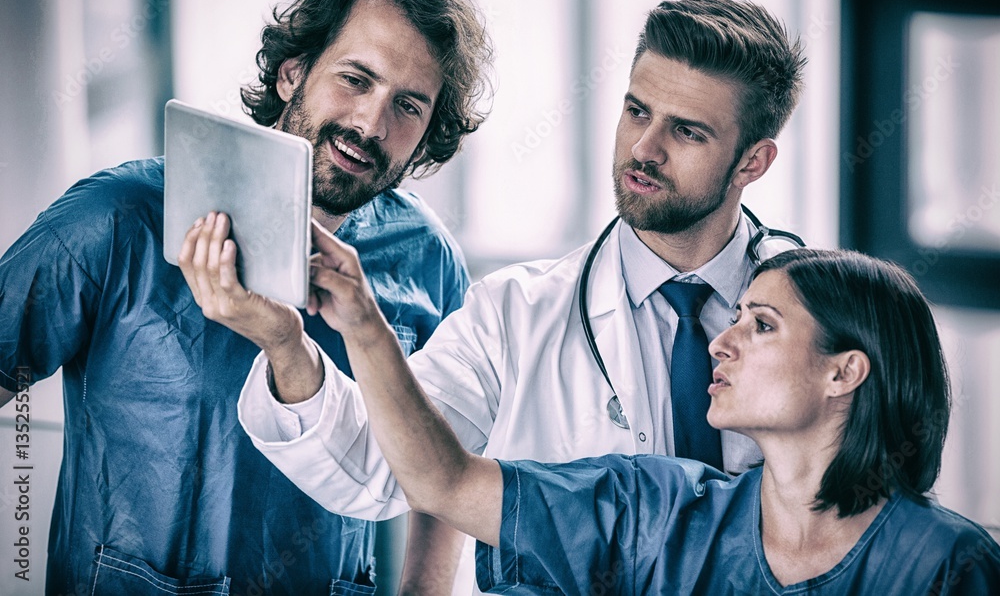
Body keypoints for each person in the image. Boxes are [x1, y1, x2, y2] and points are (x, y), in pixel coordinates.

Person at [193, 0, 808, 593]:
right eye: (637, 111)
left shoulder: (835, 319)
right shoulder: (513, 315)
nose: (644, 149)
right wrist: (286, 343)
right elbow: (380, 469)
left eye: (688, 132)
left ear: (753, 161)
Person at [0, 0, 492, 594]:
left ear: (428, 135)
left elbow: (445, 470)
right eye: (355, 79)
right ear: (293, 74)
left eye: (408, 106)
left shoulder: (428, 259)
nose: (372, 124)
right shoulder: (117, 219)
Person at [188, 228, 1000, 593]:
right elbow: (438, 479)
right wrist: (349, 323)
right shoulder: (656, 509)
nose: (724, 340)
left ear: (845, 371)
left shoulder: (945, 566)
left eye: (761, 325)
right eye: (736, 316)